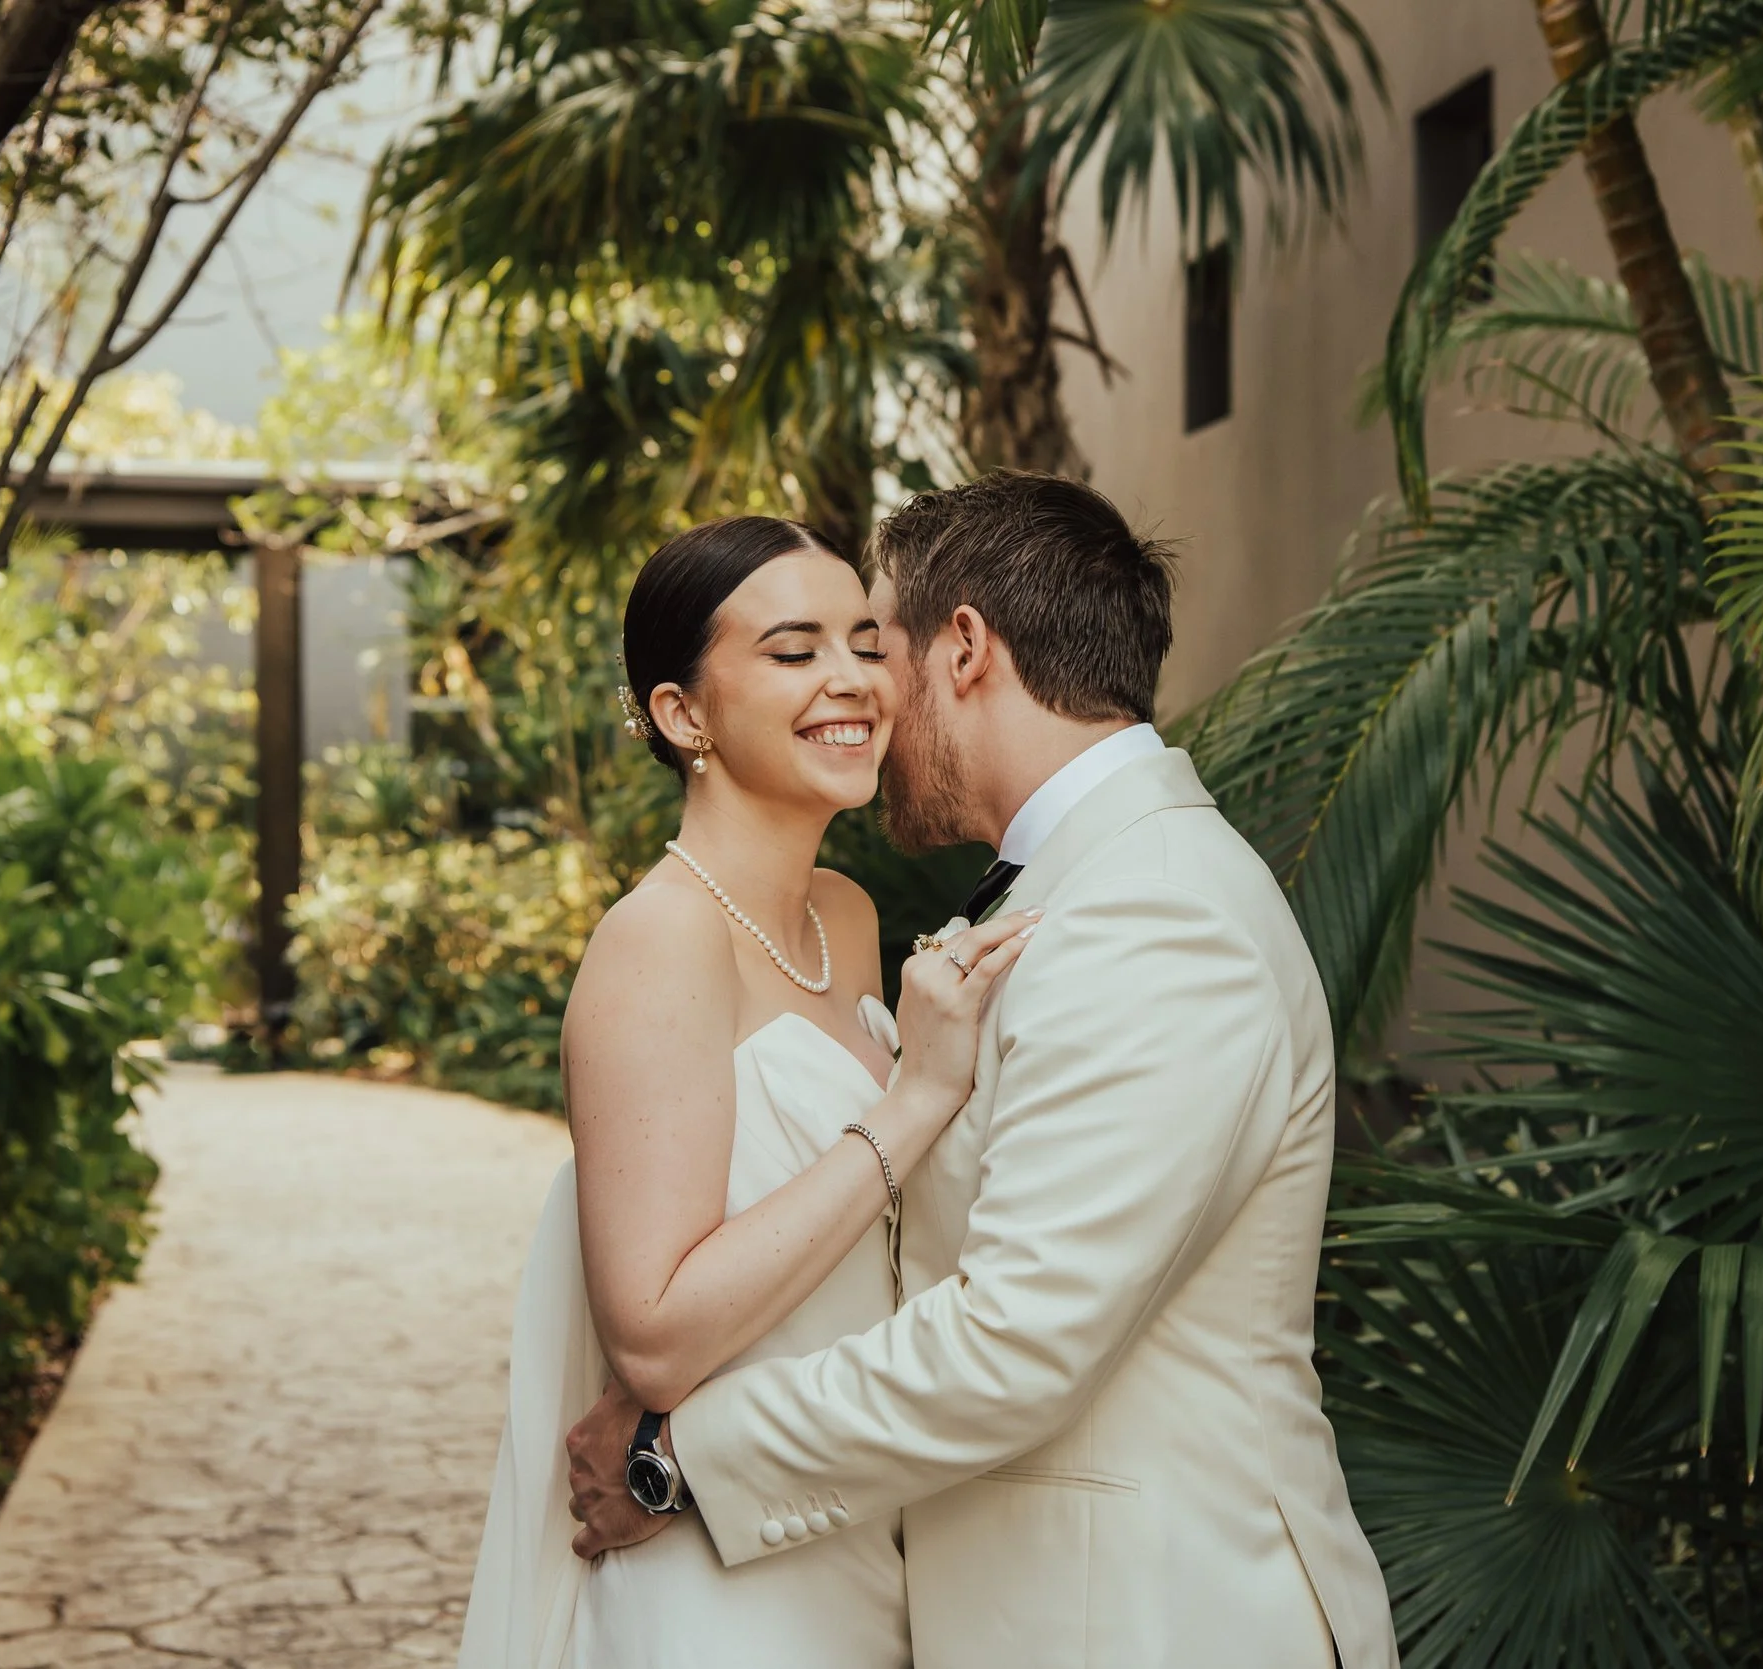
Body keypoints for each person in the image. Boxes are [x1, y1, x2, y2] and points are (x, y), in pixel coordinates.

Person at [564, 471, 1398, 1669]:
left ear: (961, 650)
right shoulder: (1079, 891)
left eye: (874, 647)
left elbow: (1015, 1340)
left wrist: (682, 1459)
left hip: (1151, 1622)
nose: (863, 695)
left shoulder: (1154, 915)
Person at [455, 514, 1035, 1669]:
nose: (851, 679)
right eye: (792, 650)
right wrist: (914, 1100)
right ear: (681, 714)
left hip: (846, 1528)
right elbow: (658, 1338)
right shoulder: (658, 943)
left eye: (866, 642)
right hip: (717, 1592)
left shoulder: (846, 913)